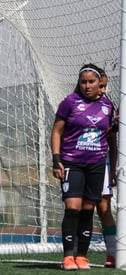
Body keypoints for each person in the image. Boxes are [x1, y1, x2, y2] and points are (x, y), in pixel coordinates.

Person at [51, 63, 115, 270]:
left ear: (99, 84)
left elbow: (109, 136)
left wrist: (112, 168)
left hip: (96, 164)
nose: (87, 86)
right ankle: (68, 257)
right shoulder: (70, 102)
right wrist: (56, 159)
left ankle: (82, 257)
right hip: (72, 162)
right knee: (72, 208)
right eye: (83, 82)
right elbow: (57, 132)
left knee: (88, 209)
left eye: (91, 82)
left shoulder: (107, 106)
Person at [95, 68, 118, 268]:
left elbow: (112, 140)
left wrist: (112, 169)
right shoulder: (74, 105)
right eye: (100, 85)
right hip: (80, 164)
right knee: (81, 209)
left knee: (104, 209)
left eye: (104, 86)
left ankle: (112, 254)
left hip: (102, 164)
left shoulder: (108, 106)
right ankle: (76, 254)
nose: (102, 90)